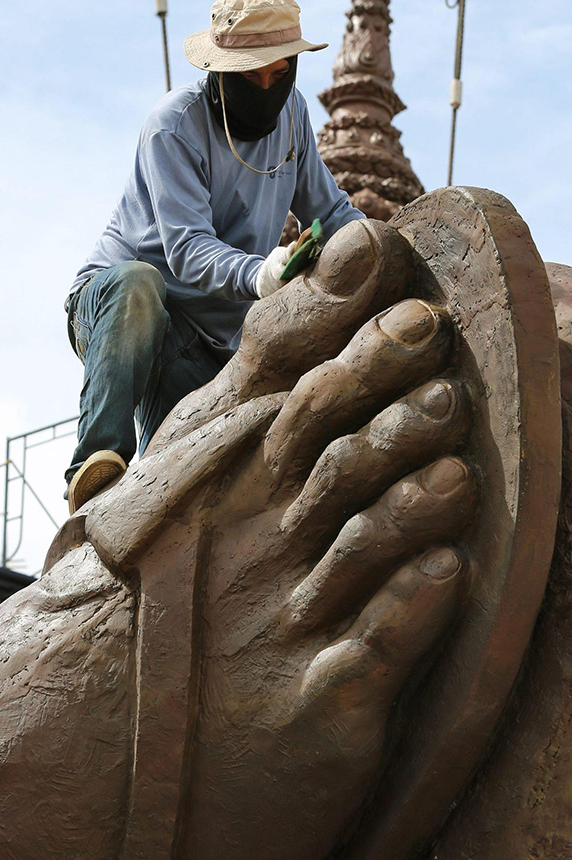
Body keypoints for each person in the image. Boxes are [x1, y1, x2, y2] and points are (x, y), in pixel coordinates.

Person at [64, 0, 365, 513]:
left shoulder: (292, 115)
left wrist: (381, 249)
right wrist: (261, 274)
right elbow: (186, 250)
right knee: (140, 285)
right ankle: (96, 467)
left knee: (182, 495)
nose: (267, 88)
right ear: (221, 73)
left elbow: (331, 211)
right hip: (126, 314)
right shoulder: (173, 126)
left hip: (209, 342)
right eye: (252, 77)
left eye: (280, 74)